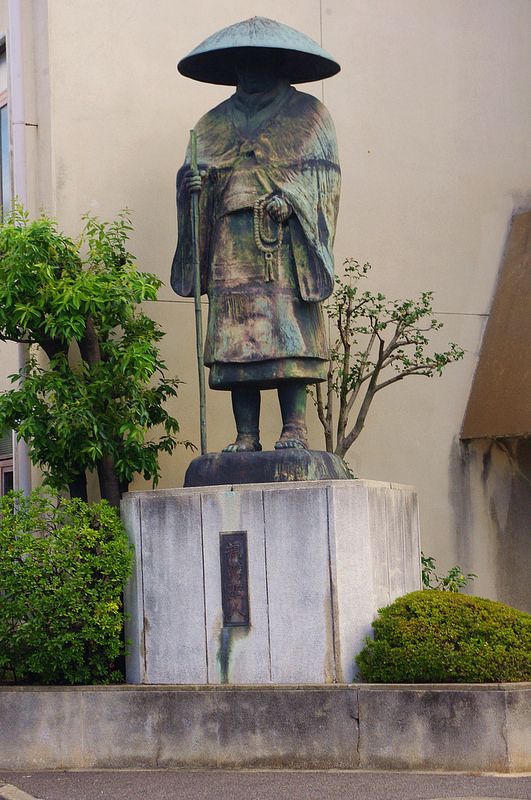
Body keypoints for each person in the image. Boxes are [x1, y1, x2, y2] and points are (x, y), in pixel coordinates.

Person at [171, 18, 341, 452]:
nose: (251, 70)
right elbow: (197, 173)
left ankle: (294, 429)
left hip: (283, 241)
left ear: (279, 62)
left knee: (287, 332)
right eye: (242, 63)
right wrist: (192, 185)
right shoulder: (211, 123)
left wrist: (293, 198)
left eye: (260, 60)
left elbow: (322, 176)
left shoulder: (309, 115)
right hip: (230, 240)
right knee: (235, 342)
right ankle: (246, 435)